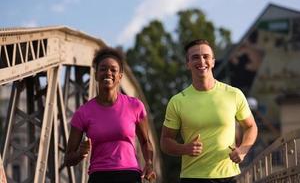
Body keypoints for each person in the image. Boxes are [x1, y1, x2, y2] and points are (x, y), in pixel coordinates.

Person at [160, 39, 258, 183]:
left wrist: (243, 150)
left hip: (229, 176)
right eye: (195, 57)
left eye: (206, 56)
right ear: (188, 64)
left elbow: (251, 126)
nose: (201, 61)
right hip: (193, 178)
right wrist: (184, 149)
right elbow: (165, 141)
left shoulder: (234, 94)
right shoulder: (177, 101)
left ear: (212, 61)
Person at [64, 47, 156, 183]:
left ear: (120, 76)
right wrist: (79, 154)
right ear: (95, 75)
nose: (108, 73)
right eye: (102, 69)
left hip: (129, 175)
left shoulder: (135, 106)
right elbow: (68, 159)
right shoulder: (83, 113)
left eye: (113, 70)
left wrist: (149, 162)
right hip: (99, 176)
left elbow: (145, 142)